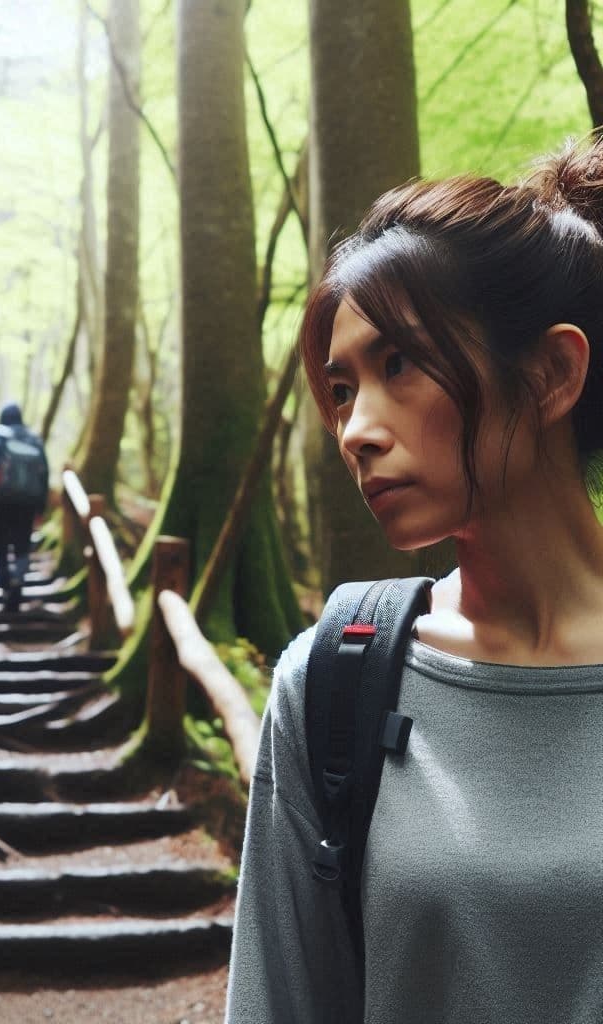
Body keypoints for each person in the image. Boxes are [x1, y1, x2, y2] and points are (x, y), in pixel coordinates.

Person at [226, 137, 603, 1024]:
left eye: (398, 363)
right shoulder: (334, 681)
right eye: (343, 388)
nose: (357, 428)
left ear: (551, 374)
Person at [0, 402, 49, 612]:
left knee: (0, 547)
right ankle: (18, 583)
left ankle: (6, 585)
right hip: (28, 504)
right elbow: (44, 476)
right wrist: (41, 508)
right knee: (23, 546)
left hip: (0, 503)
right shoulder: (34, 441)